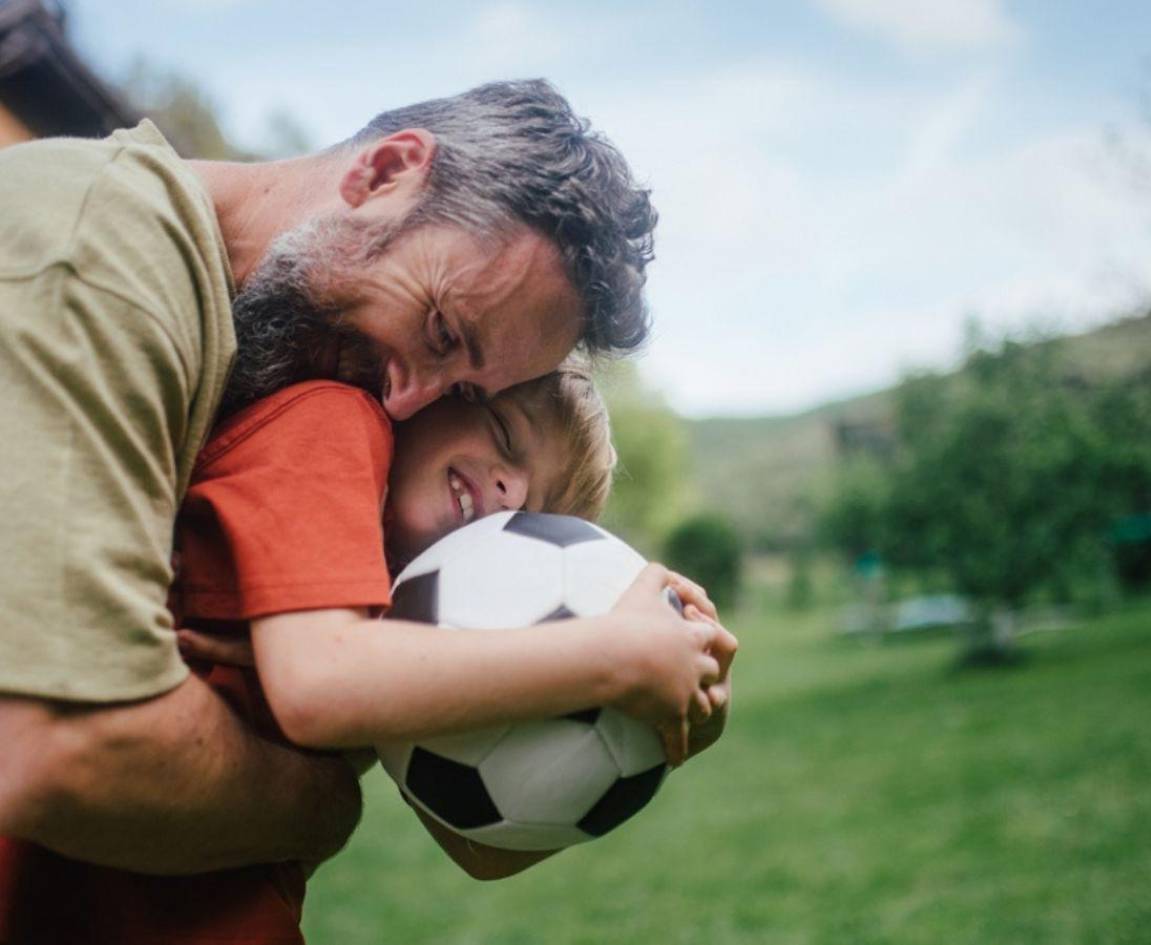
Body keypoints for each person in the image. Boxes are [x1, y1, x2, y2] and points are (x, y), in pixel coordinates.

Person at [0, 79, 674, 876]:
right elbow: (57, 750)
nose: (404, 399)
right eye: (440, 328)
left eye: (463, 392)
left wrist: (664, 708)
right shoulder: (95, 258)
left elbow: (475, 848)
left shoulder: (266, 359)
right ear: (385, 172)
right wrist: (323, 801)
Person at [0, 364, 735, 944]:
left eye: (529, 502)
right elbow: (322, 683)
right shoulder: (331, 428)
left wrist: (673, 733)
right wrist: (616, 653)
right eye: (505, 432)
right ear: (439, 395)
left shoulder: (419, 622)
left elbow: (479, 848)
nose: (507, 483)